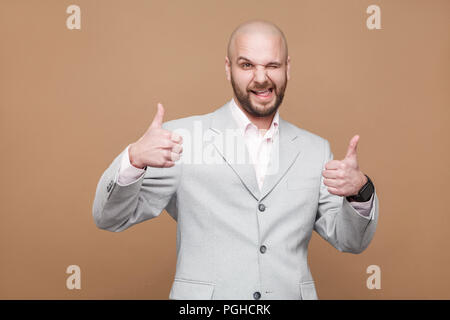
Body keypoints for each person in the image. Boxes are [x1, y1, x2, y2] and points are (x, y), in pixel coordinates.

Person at [92, 20, 378, 300]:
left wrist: (359, 191)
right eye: (247, 65)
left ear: (287, 68)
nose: (261, 78)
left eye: (272, 65)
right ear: (228, 69)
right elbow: (110, 218)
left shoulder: (316, 149)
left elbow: (350, 241)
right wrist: (134, 160)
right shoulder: (182, 139)